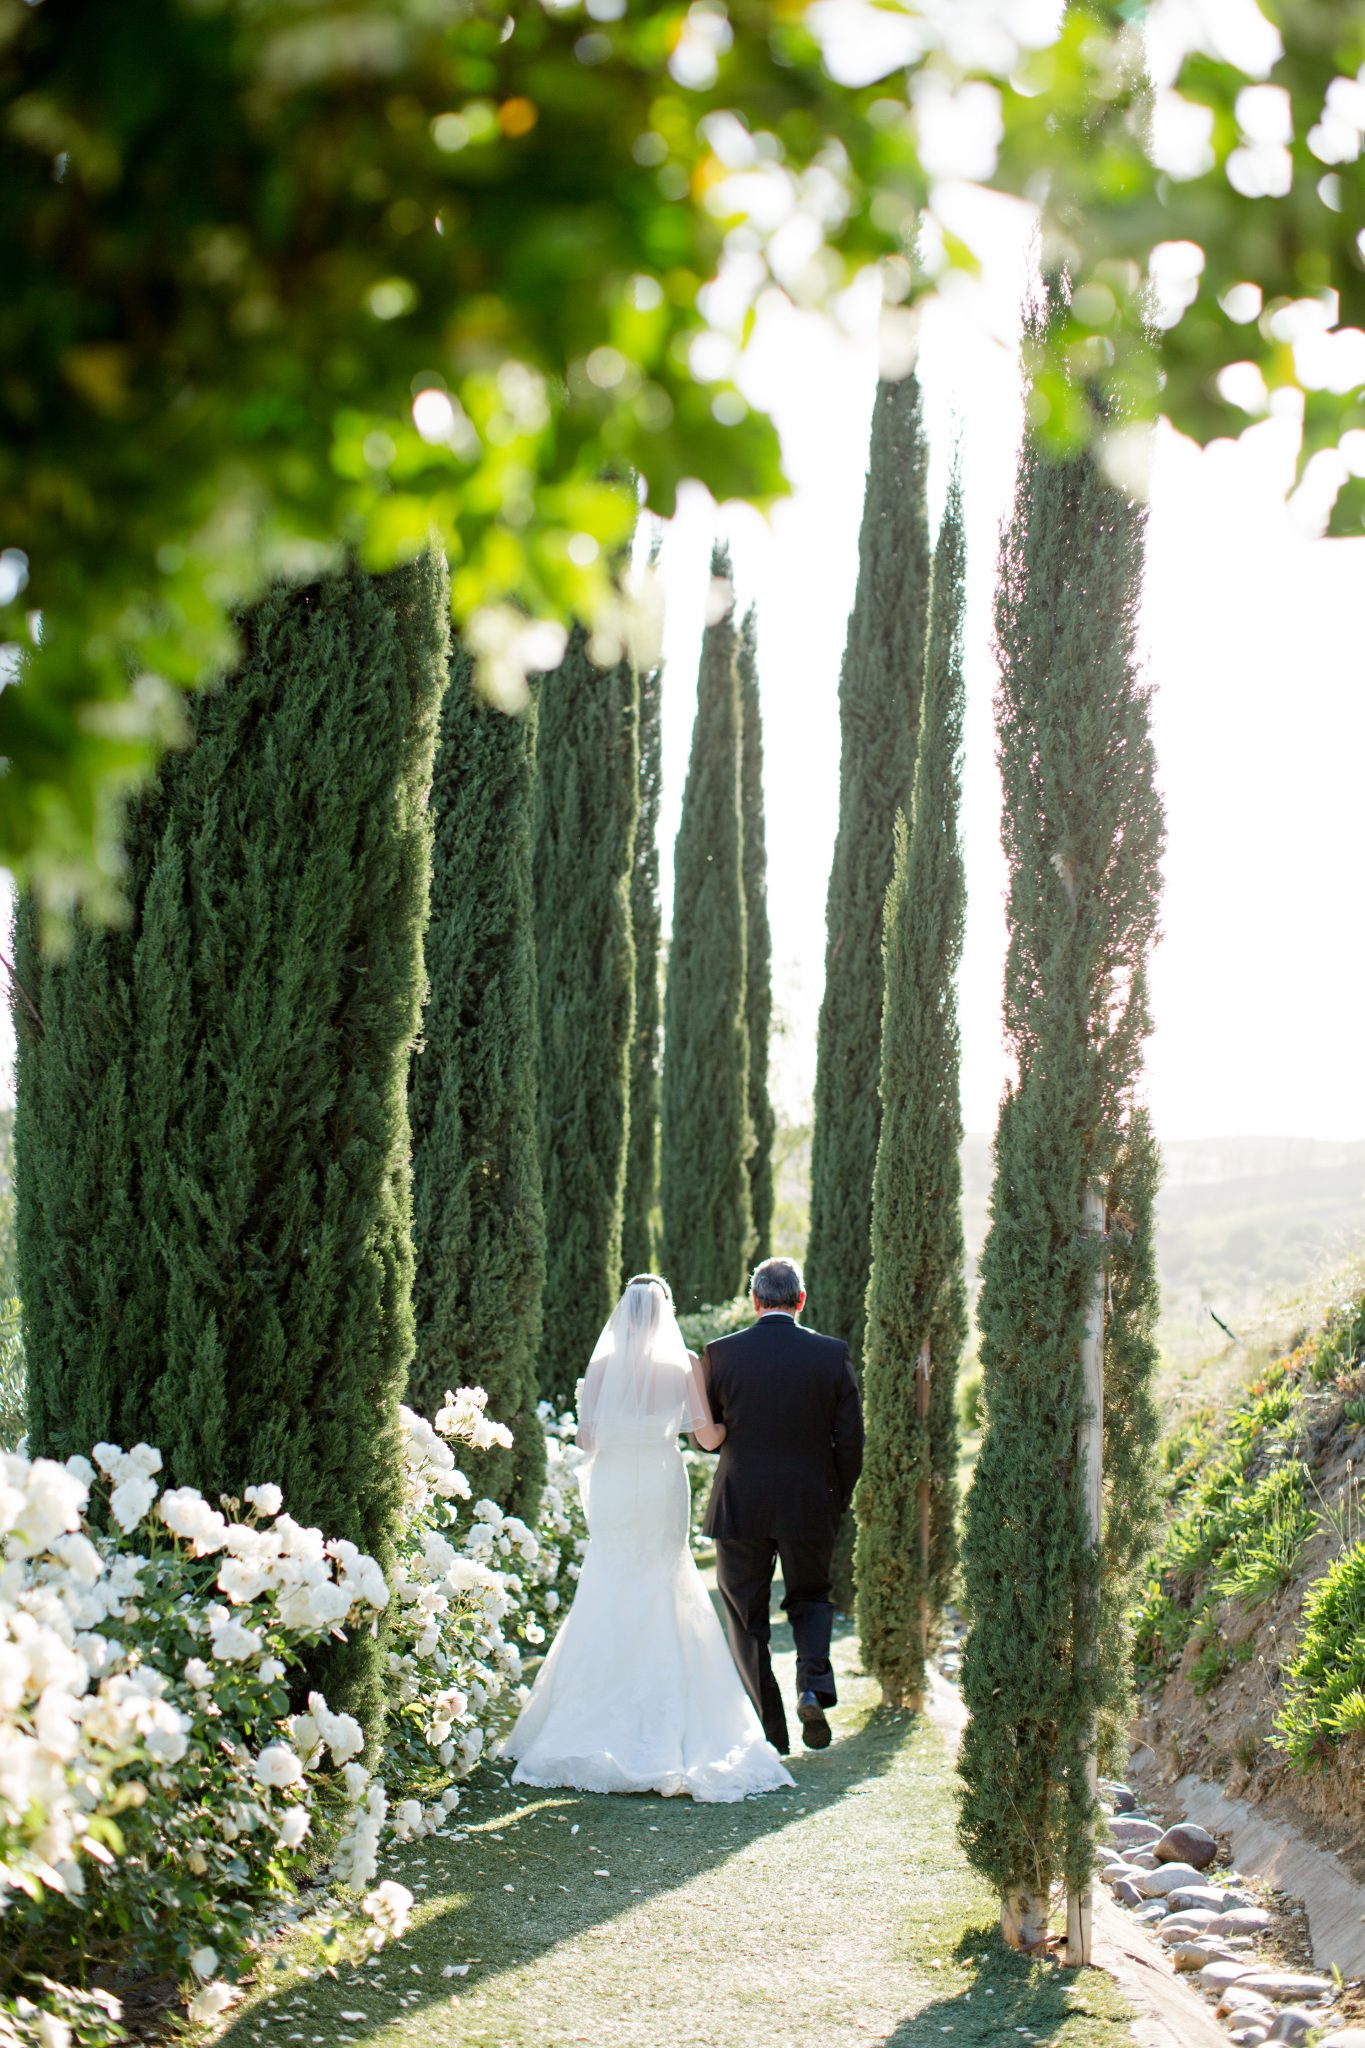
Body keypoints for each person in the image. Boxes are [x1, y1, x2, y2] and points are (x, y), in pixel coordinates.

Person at [501, 1274, 793, 1801]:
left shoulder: (602, 1364)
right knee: (665, 1577)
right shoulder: (680, 1363)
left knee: (610, 1577)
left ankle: (583, 1716)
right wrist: (737, 1425)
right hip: (661, 1478)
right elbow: (705, 1436)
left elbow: (587, 1438)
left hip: (616, 1482)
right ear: (665, 1315)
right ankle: (672, 1719)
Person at [700, 1256, 863, 1755]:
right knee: (810, 1597)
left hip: (739, 1504)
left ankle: (771, 1732)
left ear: (755, 1300)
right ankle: (812, 1686)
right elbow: (851, 1442)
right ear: (801, 1299)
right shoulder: (831, 1355)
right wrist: (836, 1497)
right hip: (810, 1501)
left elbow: (707, 1430)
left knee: (745, 1617)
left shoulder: (719, 1355)